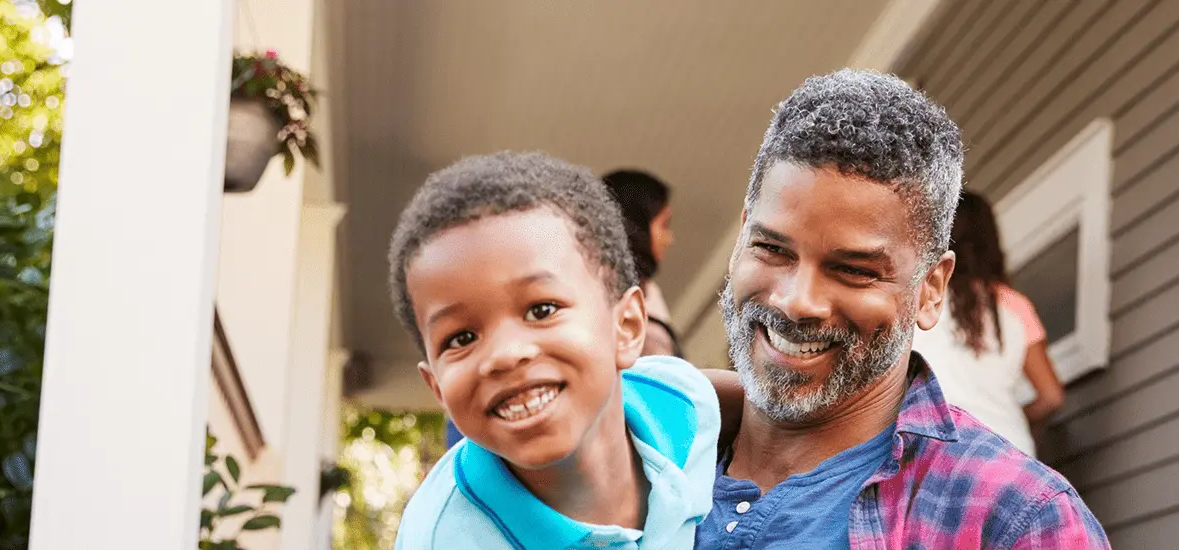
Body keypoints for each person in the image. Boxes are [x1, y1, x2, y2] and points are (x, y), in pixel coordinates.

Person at [699, 69, 1109, 549]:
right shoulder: (634, 452)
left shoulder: (1017, 521)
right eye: (771, 248)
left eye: (853, 270)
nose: (796, 301)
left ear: (931, 289)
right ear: (742, 236)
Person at [389, 152, 720, 549]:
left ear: (627, 327)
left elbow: (744, 407)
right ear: (437, 388)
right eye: (461, 338)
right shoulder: (443, 538)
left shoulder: (680, 407)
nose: (505, 355)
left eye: (541, 310)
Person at [910, 191, 1064, 456]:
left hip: (934, 452)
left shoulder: (920, 293)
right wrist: (1008, 418)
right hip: (1010, 453)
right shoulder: (1015, 305)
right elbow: (1052, 397)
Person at [602, 169, 682, 358]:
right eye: (664, 225)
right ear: (636, 225)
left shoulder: (650, 291)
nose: (669, 239)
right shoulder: (606, 295)